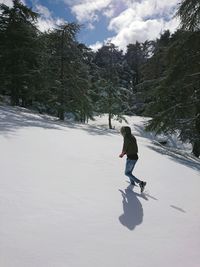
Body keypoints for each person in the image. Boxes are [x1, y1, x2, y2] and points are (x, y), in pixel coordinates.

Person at [119, 126, 146, 193]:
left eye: (122, 131)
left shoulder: (127, 137)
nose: (121, 132)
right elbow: (131, 147)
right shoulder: (132, 136)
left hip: (131, 158)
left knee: (127, 173)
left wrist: (122, 154)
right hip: (135, 157)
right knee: (129, 172)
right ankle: (132, 184)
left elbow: (125, 147)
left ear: (124, 131)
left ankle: (141, 183)